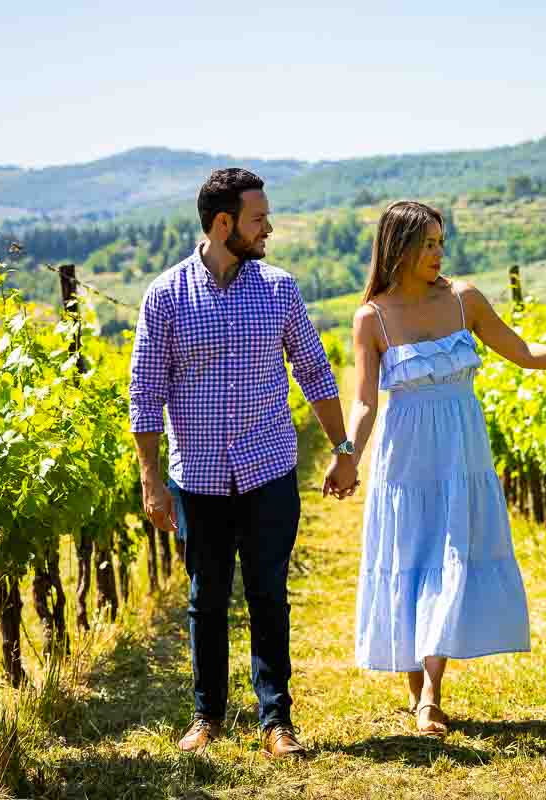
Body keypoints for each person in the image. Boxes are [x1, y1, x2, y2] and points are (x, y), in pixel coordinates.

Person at [346, 201, 546, 736]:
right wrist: (347, 455)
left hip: (461, 453)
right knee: (407, 564)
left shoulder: (465, 299)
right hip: (405, 459)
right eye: (428, 243)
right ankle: (419, 693)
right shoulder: (371, 317)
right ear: (398, 247)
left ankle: (431, 696)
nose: (439, 253)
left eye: (441, 242)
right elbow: (366, 403)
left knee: (450, 559)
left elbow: (525, 352)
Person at [129, 168, 358, 758]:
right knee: (206, 598)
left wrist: (343, 448)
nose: (269, 229)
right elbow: (145, 393)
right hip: (199, 477)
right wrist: (151, 479)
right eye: (259, 219)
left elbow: (314, 370)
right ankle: (206, 716)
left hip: (268, 470)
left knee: (267, 594)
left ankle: (275, 721)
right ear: (223, 223)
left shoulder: (279, 288)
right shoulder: (165, 296)